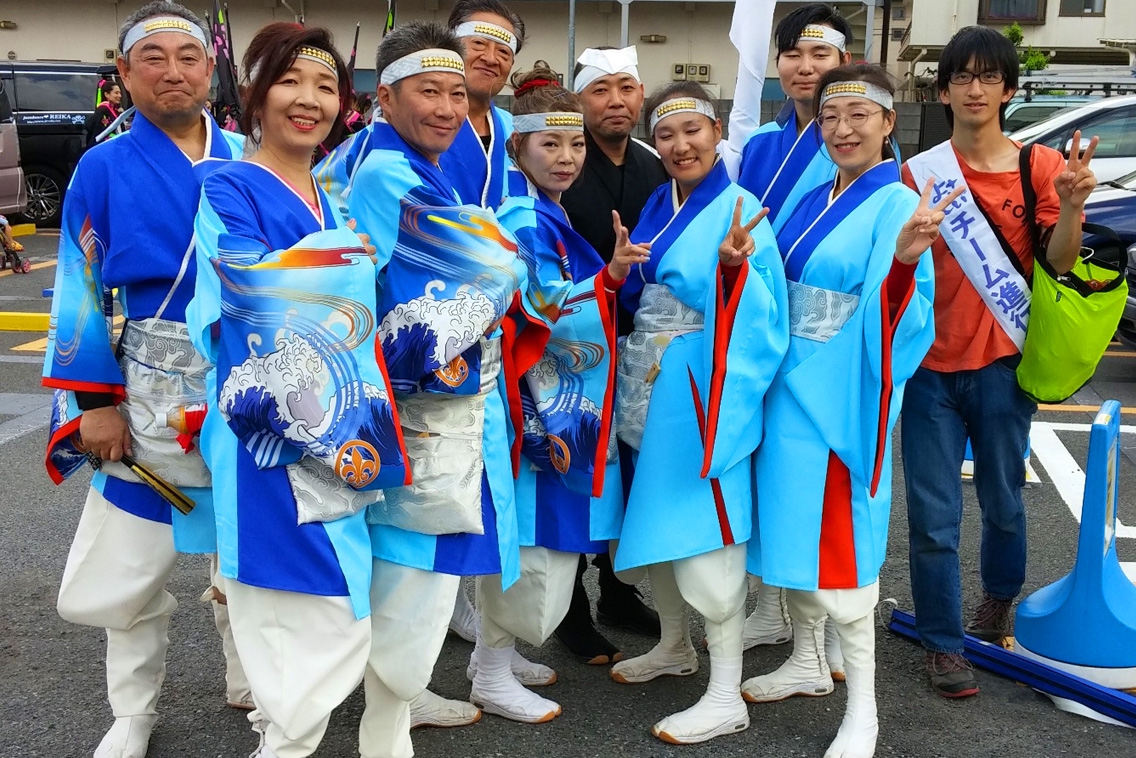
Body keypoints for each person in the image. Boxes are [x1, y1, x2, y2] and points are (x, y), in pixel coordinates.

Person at [315, 22, 532, 758]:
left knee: (399, 566)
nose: (447, 108)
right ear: (385, 96)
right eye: (428, 92)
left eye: (456, 94)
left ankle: (390, 711)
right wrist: (514, 229)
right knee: (415, 566)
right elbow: (493, 265)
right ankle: (386, 724)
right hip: (417, 395)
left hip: (411, 385)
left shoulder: (380, 159)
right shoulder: (384, 170)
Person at [188, 23, 403, 758]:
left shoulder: (331, 195)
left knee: (329, 603)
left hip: (339, 422)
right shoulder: (227, 185)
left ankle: (283, 739)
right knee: (308, 608)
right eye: (290, 82)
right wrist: (342, 262)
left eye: (326, 85)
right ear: (256, 94)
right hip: (269, 432)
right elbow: (248, 291)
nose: (309, 100)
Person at [40, 3, 246, 757]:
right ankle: (132, 712)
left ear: (209, 70)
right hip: (150, 378)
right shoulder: (102, 166)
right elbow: (77, 285)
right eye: (150, 57)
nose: (172, 70)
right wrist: (94, 403)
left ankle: (248, 679)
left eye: (187, 56)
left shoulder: (249, 154)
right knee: (131, 564)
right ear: (123, 75)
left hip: (242, 379)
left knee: (246, 547)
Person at [745, 64, 954, 758]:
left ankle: (863, 708)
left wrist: (899, 266)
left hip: (839, 393)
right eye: (831, 117)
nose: (843, 129)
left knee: (842, 553)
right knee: (791, 538)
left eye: (860, 115)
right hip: (788, 388)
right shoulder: (812, 193)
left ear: (890, 124)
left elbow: (907, 312)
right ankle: (808, 660)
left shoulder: (896, 205)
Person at [902, 25, 1097, 699]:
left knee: (1004, 503)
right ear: (946, 88)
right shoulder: (917, 172)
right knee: (930, 516)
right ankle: (941, 643)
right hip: (928, 370)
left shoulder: (1037, 167)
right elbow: (900, 271)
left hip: (1003, 366)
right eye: (963, 76)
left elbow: (1061, 262)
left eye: (989, 77)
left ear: (1008, 89)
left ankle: (999, 599)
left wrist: (1071, 207)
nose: (975, 88)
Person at [609, 81, 788, 745]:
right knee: (657, 521)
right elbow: (639, 288)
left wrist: (730, 275)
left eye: (693, 131)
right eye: (666, 135)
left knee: (707, 531)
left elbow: (765, 313)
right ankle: (673, 644)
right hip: (646, 385)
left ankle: (724, 690)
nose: (680, 146)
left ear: (717, 134)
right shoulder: (661, 201)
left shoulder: (739, 207)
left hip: (701, 389)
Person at [471, 66, 637, 723]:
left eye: (575, 146)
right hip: (532, 404)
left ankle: (499, 654)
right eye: (550, 145)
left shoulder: (546, 210)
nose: (567, 158)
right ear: (518, 148)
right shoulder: (523, 217)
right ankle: (487, 668)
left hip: (548, 397)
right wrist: (606, 284)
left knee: (534, 538)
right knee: (529, 542)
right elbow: (535, 307)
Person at [722, 0, 856, 674]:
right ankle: (771, 605)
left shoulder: (856, 138)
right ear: (777, 64)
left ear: (844, 63)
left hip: (825, 334)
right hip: (763, 320)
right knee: (765, 470)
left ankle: (827, 628)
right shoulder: (763, 144)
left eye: (821, 55)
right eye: (794, 55)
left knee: (826, 483)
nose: (806, 68)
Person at [555, 44, 667, 666]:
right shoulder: (563, 161)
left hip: (638, 343)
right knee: (577, 472)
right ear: (580, 101)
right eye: (601, 90)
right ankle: (568, 607)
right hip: (575, 341)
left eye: (626, 89)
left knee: (627, 473)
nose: (616, 101)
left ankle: (618, 591)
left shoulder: (654, 164)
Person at [440, 0, 524, 209]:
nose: (491, 58)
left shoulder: (519, 132)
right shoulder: (411, 124)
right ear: (450, 47)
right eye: (479, 43)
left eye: (504, 52)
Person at [86, 79, 126, 146]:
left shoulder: (115, 110)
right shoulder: (103, 109)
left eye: (120, 93)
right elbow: (91, 126)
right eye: (116, 93)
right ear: (107, 94)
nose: (120, 96)